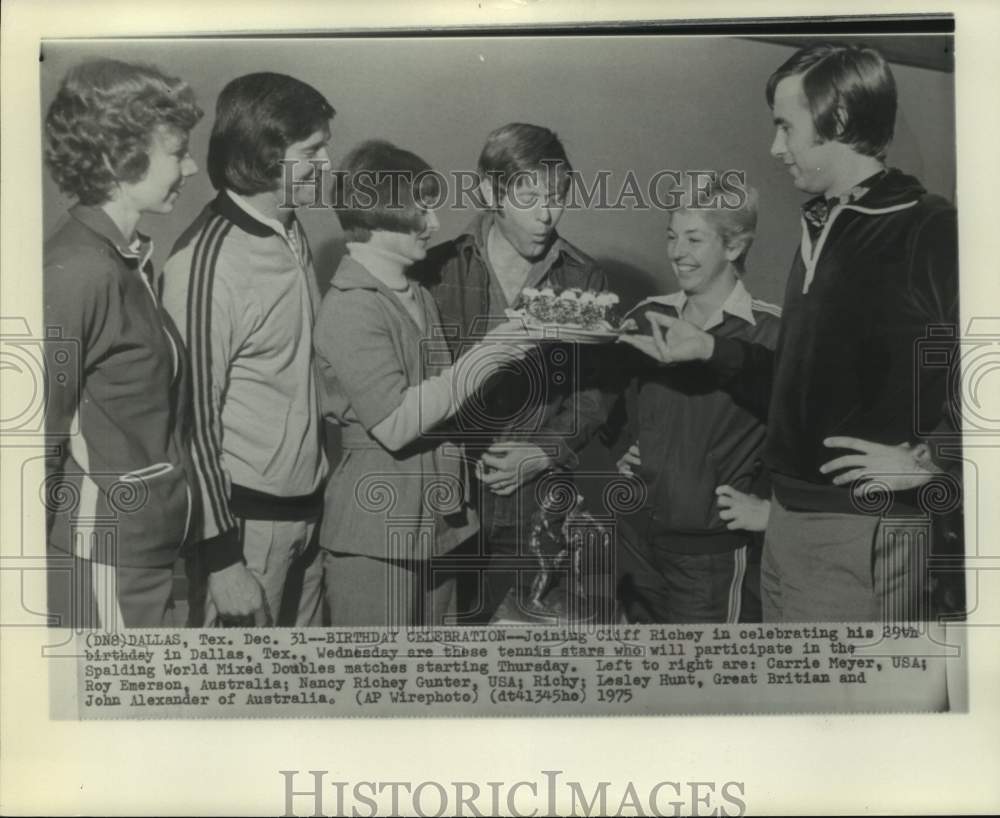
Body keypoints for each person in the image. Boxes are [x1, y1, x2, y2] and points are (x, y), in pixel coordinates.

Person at [634, 43, 959, 622]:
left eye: (786, 127)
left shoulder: (926, 225)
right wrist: (708, 348)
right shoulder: (823, 224)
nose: (774, 147)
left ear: (835, 121)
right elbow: (799, 385)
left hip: (859, 529)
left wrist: (936, 459)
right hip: (789, 525)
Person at [314, 140, 532, 626]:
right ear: (380, 213)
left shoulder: (417, 295)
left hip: (438, 526)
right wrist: (488, 357)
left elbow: (442, 399)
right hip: (375, 534)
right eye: (422, 212)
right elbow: (394, 423)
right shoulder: (351, 305)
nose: (434, 226)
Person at [414, 122, 609, 623]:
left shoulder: (583, 277)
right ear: (488, 192)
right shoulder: (435, 270)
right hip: (448, 502)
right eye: (529, 199)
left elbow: (597, 395)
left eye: (558, 197)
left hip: (537, 506)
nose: (547, 215)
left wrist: (542, 453)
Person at [162, 72, 334, 626]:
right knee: (235, 703)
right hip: (244, 532)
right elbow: (190, 421)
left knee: (299, 702)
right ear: (265, 157)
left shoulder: (289, 227)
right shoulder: (203, 263)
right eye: (313, 151)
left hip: (309, 515)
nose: (327, 164)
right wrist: (222, 559)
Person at [43, 58, 203, 627]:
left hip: (144, 549)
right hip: (103, 550)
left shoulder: (125, 260)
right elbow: (36, 439)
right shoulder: (77, 269)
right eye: (177, 150)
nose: (191, 165)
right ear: (118, 154)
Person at [614, 182, 781, 623]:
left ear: (734, 245)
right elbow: (613, 408)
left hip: (712, 562)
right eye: (671, 236)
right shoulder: (647, 316)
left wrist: (774, 513)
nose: (676, 252)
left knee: (706, 687)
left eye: (694, 239)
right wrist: (626, 449)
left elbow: (812, 438)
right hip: (637, 548)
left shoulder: (771, 331)